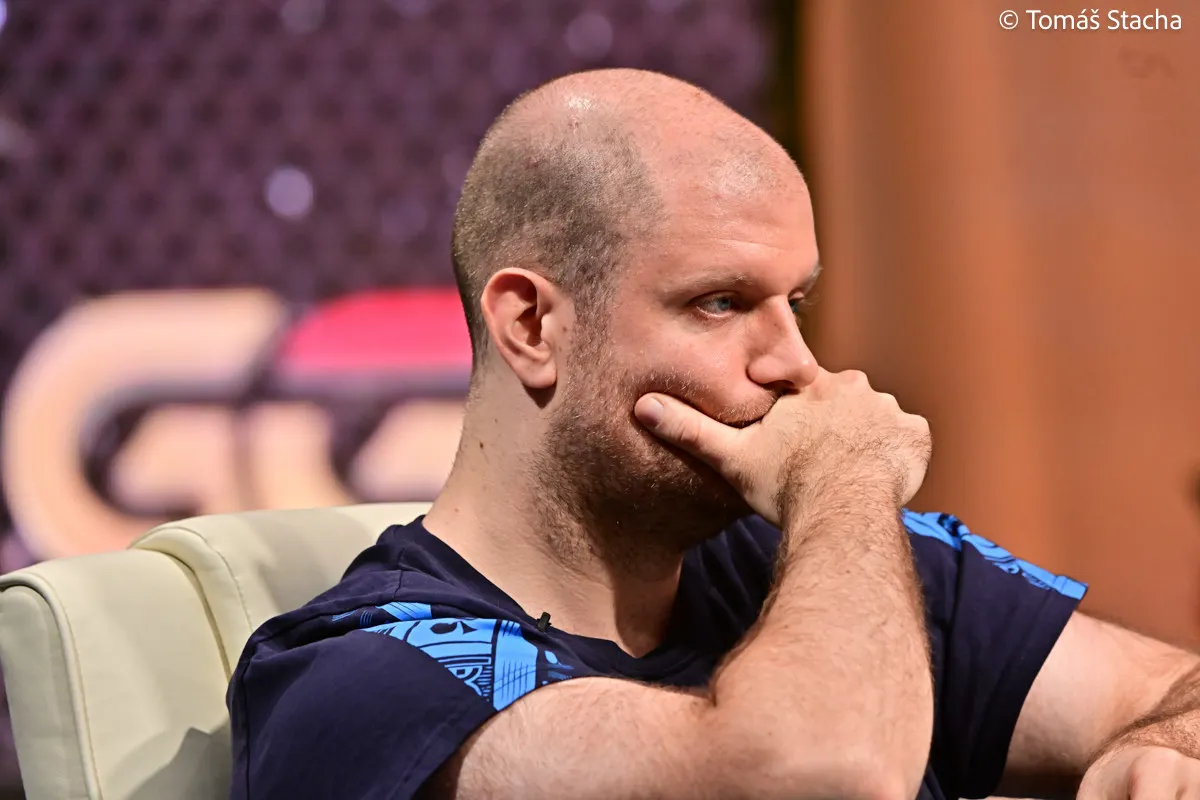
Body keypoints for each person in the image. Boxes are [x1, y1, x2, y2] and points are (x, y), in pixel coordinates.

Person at [226, 69, 1200, 799]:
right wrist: (847, 480)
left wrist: (1159, 750)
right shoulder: (363, 676)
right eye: (721, 302)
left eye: (796, 302)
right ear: (532, 325)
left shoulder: (826, 562)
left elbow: (1179, 685)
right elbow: (825, 773)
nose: (799, 365)